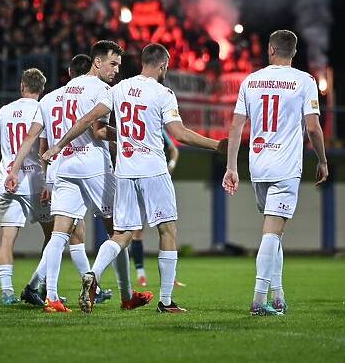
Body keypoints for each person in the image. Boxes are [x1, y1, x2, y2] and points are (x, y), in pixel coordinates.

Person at [42, 43, 226, 314]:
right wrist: (215, 145)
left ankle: (93, 274)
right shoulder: (164, 93)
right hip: (153, 169)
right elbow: (179, 133)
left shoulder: (119, 89)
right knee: (167, 230)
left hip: (125, 171)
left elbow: (87, 120)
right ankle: (165, 301)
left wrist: (58, 146)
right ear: (163, 65)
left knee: (122, 233)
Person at [8, 41, 147, 313]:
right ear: (97, 62)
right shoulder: (103, 90)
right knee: (118, 231)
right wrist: (131, 138)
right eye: (113, 63)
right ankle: (126, 294)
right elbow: (98, 131)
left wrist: (17, 169)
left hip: (64, 167)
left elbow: (35, 137)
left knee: (59, 233)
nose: (116, 70)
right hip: (94, 166)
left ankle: (53, 298)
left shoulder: (50, 98)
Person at [223, 30, 328, 316]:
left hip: (258, 165)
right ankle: (259, 300)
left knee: (275, 232)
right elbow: (313, 127)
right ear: (294, 52)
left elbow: (235, 127)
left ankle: (278, 294)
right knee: (271, 232)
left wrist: (232, 166)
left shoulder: (251, 80)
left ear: (270, 49)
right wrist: (322, 160)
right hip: (285, 166)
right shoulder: (304, 81)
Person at [15, 54, 112, 307]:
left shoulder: (49, 99)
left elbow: (40, 145)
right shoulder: (89, 94)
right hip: (80, 167)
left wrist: (46, 179)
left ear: (69, 72)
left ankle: (47, 290)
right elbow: (95, 129)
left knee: (69, 234)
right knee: (79, 232)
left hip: (58, 170)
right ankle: (45, 288)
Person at [0, 68, 51, 305]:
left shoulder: (5, 111)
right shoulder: (43, 109)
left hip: (9, 180)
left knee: (7, 239)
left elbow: (0, 147)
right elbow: (44, 148)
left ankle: (7, 292)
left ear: (22, 86)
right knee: (54, 236)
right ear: (42, 89)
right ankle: (42, 285)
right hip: (36, 181)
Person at [131, 130, 181, 288]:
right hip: (136, 178)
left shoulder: (158, 128)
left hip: (155, 179)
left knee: (167, 228)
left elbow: (174, 149)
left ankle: (170, 277)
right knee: (135, 232)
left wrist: (170, 166)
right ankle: (141, 274)